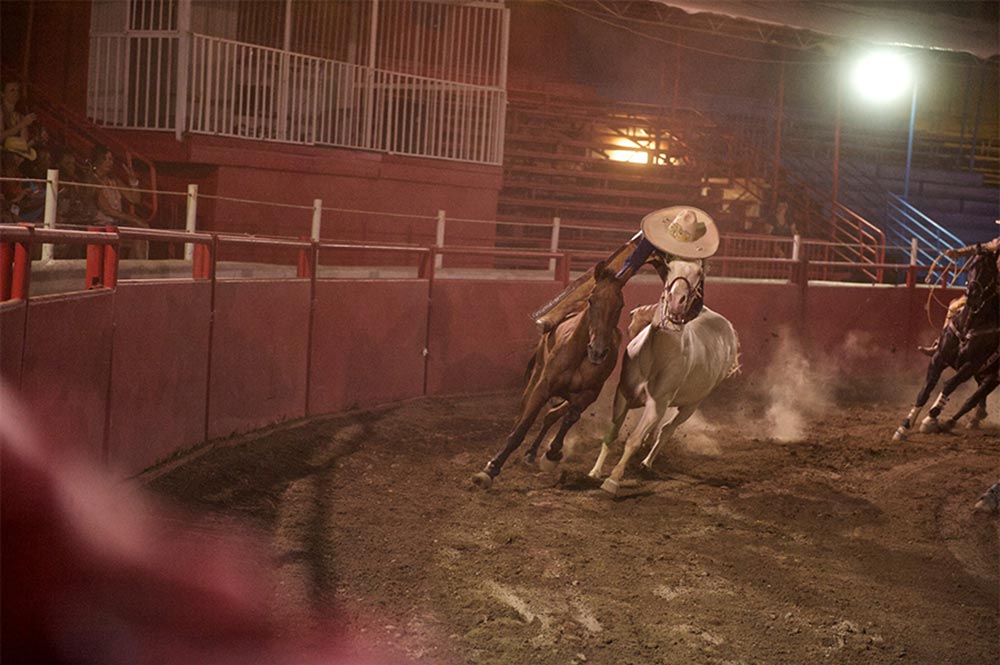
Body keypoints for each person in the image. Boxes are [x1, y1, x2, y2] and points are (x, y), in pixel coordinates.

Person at [532, 206, 720, 332]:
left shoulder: (694, 256)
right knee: (608, 275)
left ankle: (677, 322)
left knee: (690, 296)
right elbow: (633, 262)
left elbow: (697, 292)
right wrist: (616, 281)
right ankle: (555, 314)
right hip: (645, 248)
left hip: (681, 272)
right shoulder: (650, 240)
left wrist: (688, 310)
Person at [88, 143, 150, 259]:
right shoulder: (92, 180)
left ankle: (137, 269)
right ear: (97, 160)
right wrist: (132, 218)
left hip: (116, 223)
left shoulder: (114, 180)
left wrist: (133, 181)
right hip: (99, 224)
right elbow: (107, 209)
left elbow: (135, 199)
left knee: (140, 234)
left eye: (111, 159)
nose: (110, 162)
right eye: (105, 159)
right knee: (139, 227)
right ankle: (137, 269)